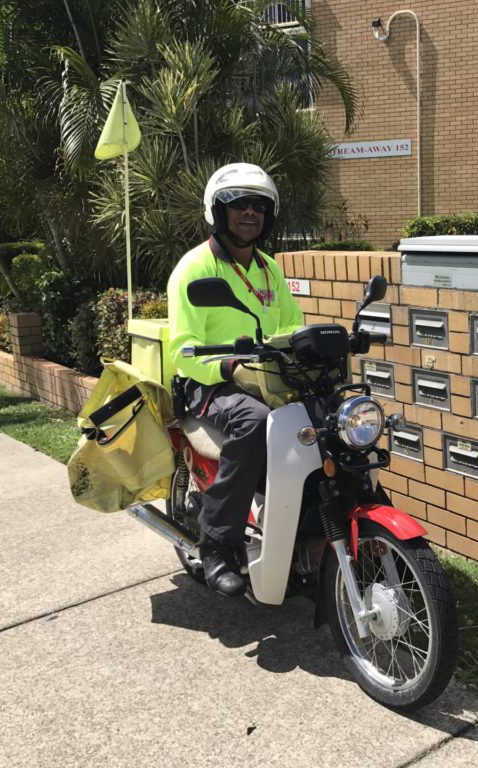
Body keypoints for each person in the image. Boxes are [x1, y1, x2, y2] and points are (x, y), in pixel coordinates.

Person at [167, 163, 304, 597]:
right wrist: (224, 367)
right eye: (238, 203)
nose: (250, 212)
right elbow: (181, 349)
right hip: (208, 383)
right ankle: (218, 544)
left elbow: (292, 328)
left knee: (331, 416)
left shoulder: (269, 270)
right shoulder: (194, 268)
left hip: (265, 376)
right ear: (217, 210)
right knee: (255, 422)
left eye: (259, 205)